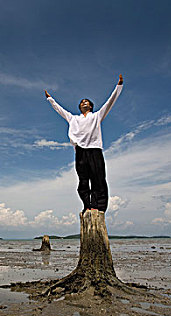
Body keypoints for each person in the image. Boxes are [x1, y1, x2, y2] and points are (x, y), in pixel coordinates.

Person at [45, 75, 123, 214]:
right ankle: (87, 205)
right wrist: (50, 99)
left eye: (86, 102)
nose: (84, 103)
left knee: (98, 179)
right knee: (83, 181)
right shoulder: (73, 118)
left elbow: (110, 102)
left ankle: (98, 206)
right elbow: (59, 110)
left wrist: (118, 87)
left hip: (95, 150)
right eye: (81, 102)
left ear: (91, 106)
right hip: (80, 151)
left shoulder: (97, 116)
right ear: (80, 107)